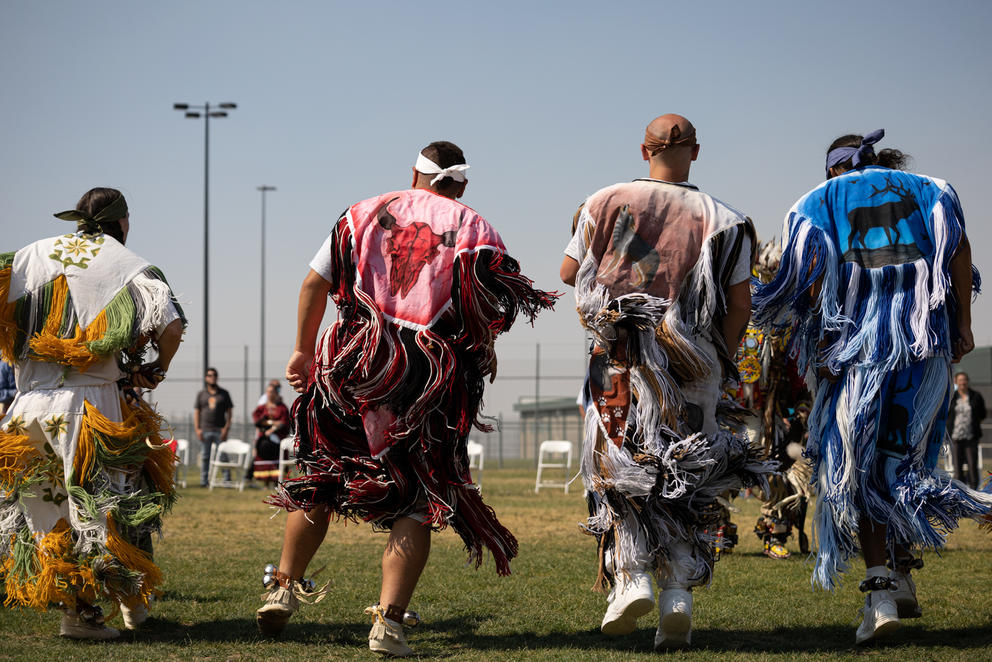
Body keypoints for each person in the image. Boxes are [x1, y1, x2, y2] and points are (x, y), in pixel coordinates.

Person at [256, 141, 556, 656]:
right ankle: (388, 625)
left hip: (350, 361)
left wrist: (304, 350)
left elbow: (313, 283)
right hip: (427, 376)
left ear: (414, 173)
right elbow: (488, 308)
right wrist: (481, 350)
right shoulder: (476, 228)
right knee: (419, 498)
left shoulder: (362, 211)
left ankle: (282, 589)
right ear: (462, 184)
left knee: (322, 479)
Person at [752, 130, 992, 645]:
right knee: (904, 464)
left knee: (857, 470)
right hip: (922, 352)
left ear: (834, 169)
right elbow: (959, 251)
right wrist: (965, 325)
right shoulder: (932, 188)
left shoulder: (818, 202)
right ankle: (902, 574)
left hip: (854, 356)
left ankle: (880, 593)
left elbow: (803, 280)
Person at [560, 114, 772, 650]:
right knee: (685, 470)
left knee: (618, 463)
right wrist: (720, 361)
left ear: (643, 149)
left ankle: (631, 576)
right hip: (693, 360)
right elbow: (741, 303)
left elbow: (568, 273)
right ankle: (678, 590)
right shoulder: (727, 219)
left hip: (620, 356)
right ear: (694, 153)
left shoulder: (602, 200)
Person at [0, 187, 185, 639]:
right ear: (121, 222)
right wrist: (156, 368)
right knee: (106, 511)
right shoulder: (127, 263)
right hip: (90, 408)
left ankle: (81, 614)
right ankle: (129, 605)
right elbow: (171, 323)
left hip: (26, 409)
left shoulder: (26, 256)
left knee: (49, 514)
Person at [193, 367, 233, 487]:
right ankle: (204, 481)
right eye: (209, 375)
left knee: (223, 456)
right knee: (205, 456)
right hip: (205, 430)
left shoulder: (224, 394)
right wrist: (197, 429)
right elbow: (197, 412)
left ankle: (227, 480)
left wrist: (226, 428)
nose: (212, 377)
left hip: (220, 430)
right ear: (206, 378)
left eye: (214, 375)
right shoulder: (201, 394)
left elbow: (230, 413)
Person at [947, 372, 987, 488]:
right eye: (960, 380)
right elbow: (947, 415)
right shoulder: (952, 397)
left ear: (967, 381)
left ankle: (974, 492)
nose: (962, 383)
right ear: (956, 382)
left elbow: (982, 414)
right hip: (955, 437)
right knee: (957, 468)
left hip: (971, 437)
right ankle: (960, 493)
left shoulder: (976, 396)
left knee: (972, 465)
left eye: (964, 380)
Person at [250, 381, 291, 486]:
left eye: (272, 392)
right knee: (263, 446)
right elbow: (257, 421)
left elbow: (283, 423)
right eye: (268, 392)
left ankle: (276, 480)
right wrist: (266, 423)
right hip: (263, 438)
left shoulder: (282, 408)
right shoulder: (262, 408)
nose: (270, 394)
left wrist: (272, 427)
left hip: (277, 439)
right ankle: (264, 481)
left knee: (271, 448)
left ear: (276, 393)